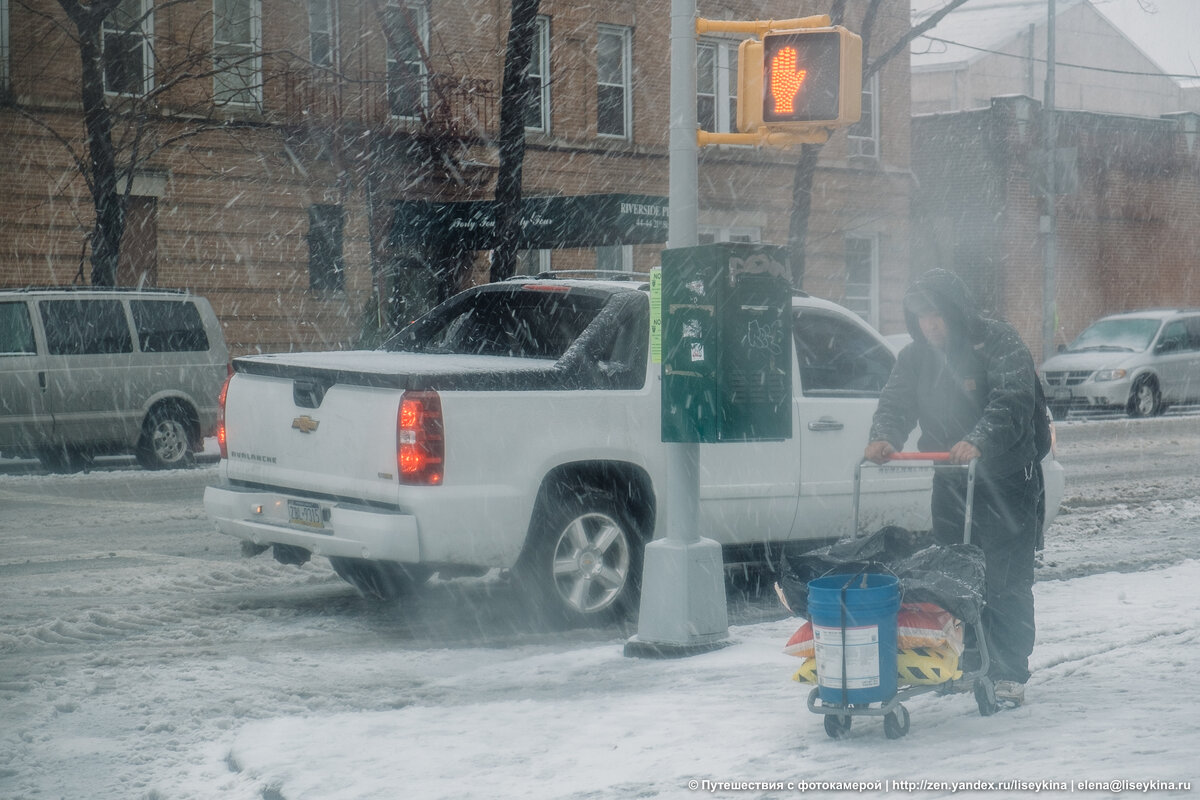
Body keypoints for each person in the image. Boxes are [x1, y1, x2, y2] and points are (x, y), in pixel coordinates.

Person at [864, 269, 1040, 708]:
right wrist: (885, 435)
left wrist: (978, 439)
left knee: (1004, 577)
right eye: (922, 318)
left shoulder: (997, 341)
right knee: (954, 573)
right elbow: (897, 400)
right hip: (950, 477)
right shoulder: (915, 358)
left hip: (1004, 479)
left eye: (936, 316)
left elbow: (1013, 399)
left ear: (955, 312)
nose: (930, 326)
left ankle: (1008, 670)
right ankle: (971, 660)